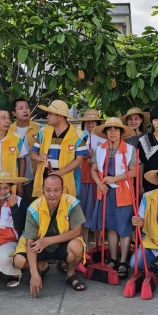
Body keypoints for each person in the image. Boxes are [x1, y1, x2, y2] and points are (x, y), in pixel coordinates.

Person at [13, 174, 87, 297]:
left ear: (63, 189)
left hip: (60, 244)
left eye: (56, 190)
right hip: (38, 246)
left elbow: (77, 231)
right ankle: (42, 266)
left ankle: (70, 274)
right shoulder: (34, 208)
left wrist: (48, 241)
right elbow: (30, 241)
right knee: (19, 261)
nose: (52, 194)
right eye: (48, 190)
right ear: (42, 189)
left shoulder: (72, 203)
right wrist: (34, 274)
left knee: (77, 247)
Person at [90, 117, 136, 280]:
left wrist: (114, 179)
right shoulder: (99, 149)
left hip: (123, 192)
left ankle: (123, 261)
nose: (113, 132)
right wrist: (99, 183)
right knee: (110, 227)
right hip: (105, 192)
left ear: (121, 132)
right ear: (105, 132)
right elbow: (94, 169)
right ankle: (113, 259)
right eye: (109, 129)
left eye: (116, 129)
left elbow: (133, 172)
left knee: (124, 228)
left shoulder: (130, 149)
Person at [31, 100, 87, 199]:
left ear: (60, 116)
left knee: (65, 207)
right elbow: (33, 154)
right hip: (45, 181)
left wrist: (59, 173)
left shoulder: (78, 135)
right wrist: (40, 158)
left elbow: (79, 160)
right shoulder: (42, 132)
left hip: (68, 181)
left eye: (50, 114)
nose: (47, 117)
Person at [77, 109, 106, 248]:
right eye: (87, 121)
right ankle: (84, 244)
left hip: (97, 178)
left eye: (93, 121)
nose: (90, 124)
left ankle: (99, 244)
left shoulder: (103, 137)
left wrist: (95, 155)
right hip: (81, 177)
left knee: (97, 210)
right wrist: (84, 154)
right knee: (82, 210)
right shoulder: (78, 136)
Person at [8, 98, 41, 210]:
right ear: (14, 113)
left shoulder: (39, 129)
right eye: (21, 108)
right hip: (15, 177)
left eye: (27, 108)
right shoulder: (9, 130)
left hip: (36, 176)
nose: (25, 110)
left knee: (35, 208)